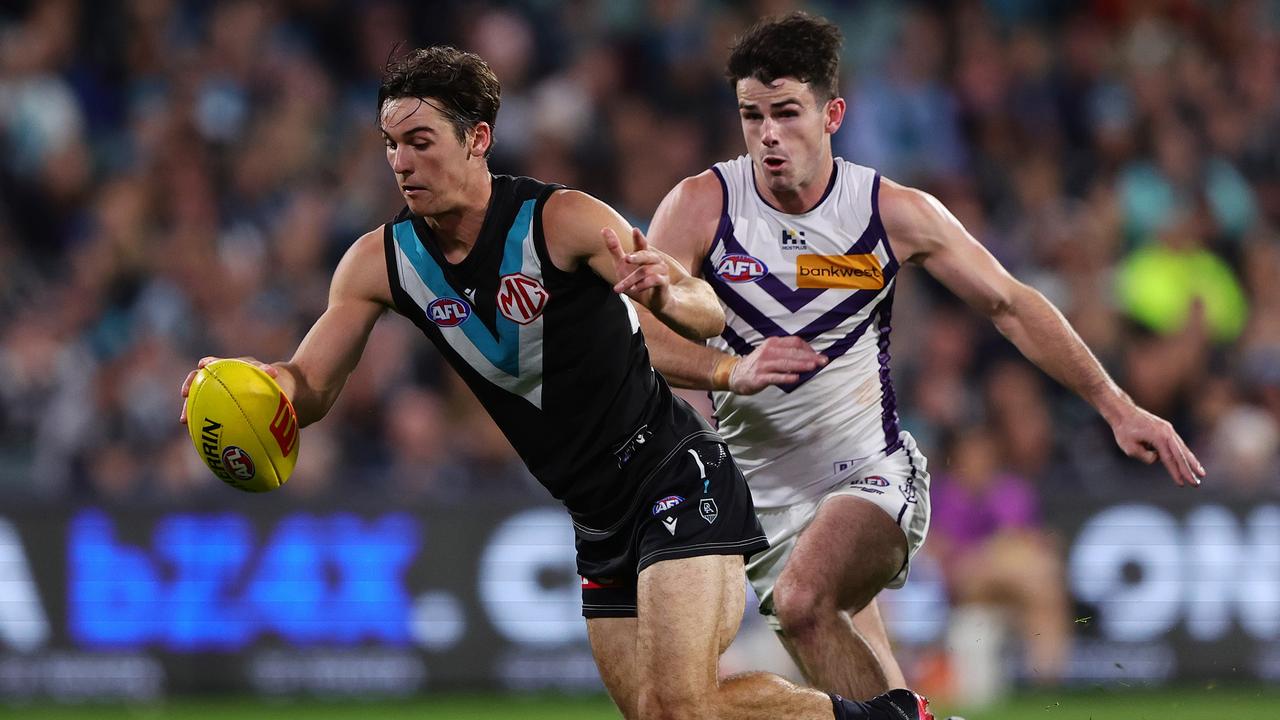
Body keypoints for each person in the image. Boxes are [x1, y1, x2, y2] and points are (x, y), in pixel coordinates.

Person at [178, 46, 933, 720]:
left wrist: (669, 293)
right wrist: (250, 383)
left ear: (477, 140)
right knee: (657, 715)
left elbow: (707, 310)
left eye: (420, 141)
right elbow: (307, 389)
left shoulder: (563, 219)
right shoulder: (379, 263)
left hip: (673, 475)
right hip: (596, 519)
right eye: (390, 145)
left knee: (684, 705)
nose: (402, 163)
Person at [636, 12, 1206, 701]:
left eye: (787, 113)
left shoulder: (888, 211)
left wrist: (1117, 406)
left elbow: (1010, 303)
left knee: (803, 601)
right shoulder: (702, 205)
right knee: (851, 684)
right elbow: (645, 337)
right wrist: (731, 369)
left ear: (833, 113)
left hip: (870, 474)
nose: (767, 135)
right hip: (763, 500)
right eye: (751, 116)